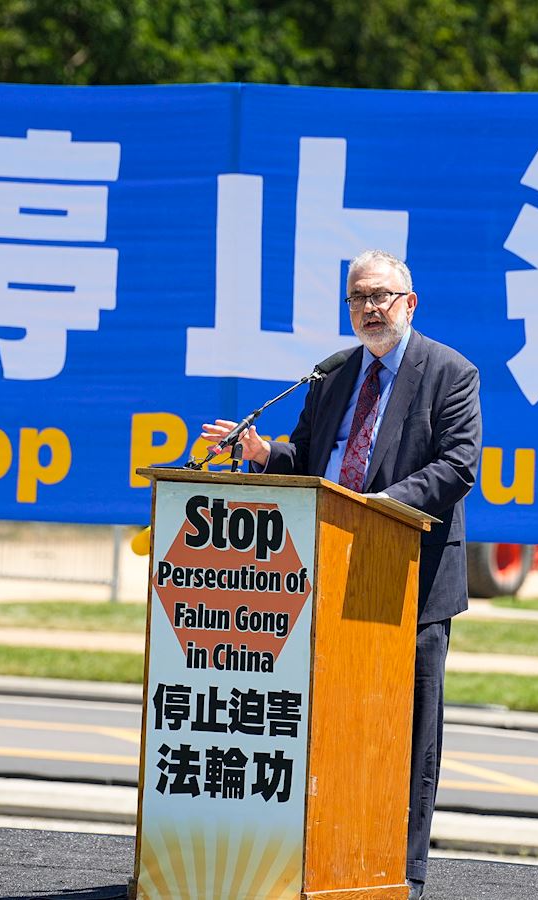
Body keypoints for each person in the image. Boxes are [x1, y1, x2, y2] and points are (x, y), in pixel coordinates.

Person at [201, 249, 481, 900]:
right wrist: (265, 454)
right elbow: (309, 457)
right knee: (330, 724)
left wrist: (380, 508)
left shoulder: (450, 372)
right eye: (358, 297)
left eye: (381, 295)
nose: (370, 308)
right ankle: (327, 856)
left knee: (408, 733)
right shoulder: (332, 374)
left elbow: (458, 465)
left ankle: (403, 873)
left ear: (410, 303)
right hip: (326, 572)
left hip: (408, 576)